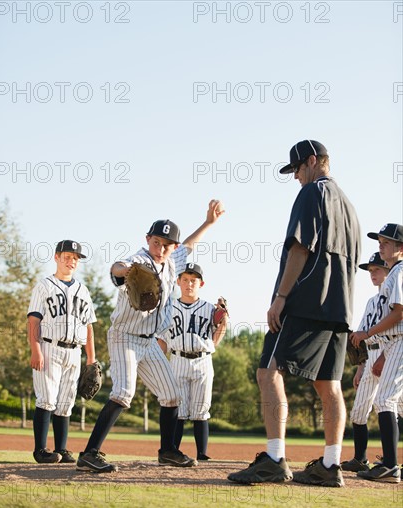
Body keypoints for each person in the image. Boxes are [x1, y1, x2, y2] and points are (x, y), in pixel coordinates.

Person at [228, 139, 361, 487]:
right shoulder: (349, 206)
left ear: (313, 161)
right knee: (329, 385)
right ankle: (331, 466)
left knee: (268, 372)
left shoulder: (312, 193)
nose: (296, 177)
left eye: (297, 169)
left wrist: (281, 297)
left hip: (305, 301)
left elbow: (300, 248)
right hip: (341, 307)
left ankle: (274, 459)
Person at [77, 200, 225, 473]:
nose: (161, 249)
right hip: (125, 337)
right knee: (123, 393)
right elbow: (117, 267)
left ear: (173, 248)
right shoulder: (140, 260)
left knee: (172, 395)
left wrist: (208, 223)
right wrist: (126, 272)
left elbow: (189, 245)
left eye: (167, 245)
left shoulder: (172, 261)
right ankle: (89, 453)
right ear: (148, 239)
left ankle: (167, 451)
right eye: (157, 242)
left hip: (149, 341)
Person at [27, 240, 97, 464]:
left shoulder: (83, 290)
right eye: (67, 256)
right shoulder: (44, 286)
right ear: (56, 257)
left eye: (75, 258)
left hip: (75, 351)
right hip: (49, 347)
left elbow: (89, 327)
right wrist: (35, 350)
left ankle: (62, 449)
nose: (71, 261)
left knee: (66, 402)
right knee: (47, 398)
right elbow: (33, 320)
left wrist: (91, 359)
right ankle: (40, 450)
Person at [158, 263, 228, 461]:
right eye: (186, 280)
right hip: (177, 358)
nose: (189, 284)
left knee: (201, 409)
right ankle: (173, 451)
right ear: (178, 281)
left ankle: (202, 454)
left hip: (202, 360)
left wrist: (223, 322)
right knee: (177, 408)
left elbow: (219, 329)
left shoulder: (209, 308)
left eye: (194, 280)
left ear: (201, 283)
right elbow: (162, 339)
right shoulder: (168, 308)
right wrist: (158, 363)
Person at [351, 223, 403, 483]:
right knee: (389, 402)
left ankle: (391, 467)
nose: (380, 246)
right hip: (391, 342)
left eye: (386, 242)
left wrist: (369, 334)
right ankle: (390, 464)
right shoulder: (393, 273)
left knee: (385, 400)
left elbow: (399, 312)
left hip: (398, 340)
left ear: (400, 248)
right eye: (379, 242)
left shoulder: (400, 270)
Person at [341, 252, 389, 472]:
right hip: (369, 357)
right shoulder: (371, 302)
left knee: (391, 408)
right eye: (370, 271)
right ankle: (360, 458)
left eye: (377, 269)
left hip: (391, 355)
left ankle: (391, 463)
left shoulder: (394, 299)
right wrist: (360, 367)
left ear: (389, 269)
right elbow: (360, 336)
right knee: (359, 410)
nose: (372, 274)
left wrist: (384, 356)